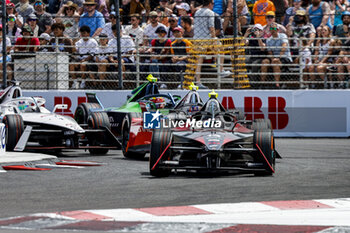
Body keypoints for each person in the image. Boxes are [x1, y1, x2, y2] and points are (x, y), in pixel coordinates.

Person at [193, 0, 231, 89]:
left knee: (199, 59)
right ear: (210, 4)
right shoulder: (210, 13)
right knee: (220, 48)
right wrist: (214, 39)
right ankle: (221, 70)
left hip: (197, 38)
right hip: (206, 39)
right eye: (213, 3)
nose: (213, 5)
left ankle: (197, 81)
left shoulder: (197, 12)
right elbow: (211, 27)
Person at [262, 23, 292, 88]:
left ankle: (277, 84)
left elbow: (284, 47)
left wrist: (278, 57)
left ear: (278, 29)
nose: (273, 30)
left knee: (276, 63)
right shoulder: (268, 39)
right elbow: (270, 52)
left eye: (274, 28)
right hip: (274, 57)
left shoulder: (283, 36)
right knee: (264, 62)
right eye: (271, 28)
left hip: (284, 56)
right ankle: (263, 83)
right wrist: (273, 59)